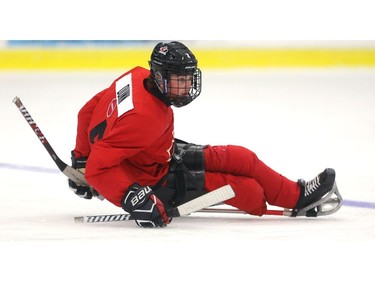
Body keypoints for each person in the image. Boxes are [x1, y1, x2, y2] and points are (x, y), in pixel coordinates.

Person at [69, 41, 341, 228]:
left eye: (189, 79)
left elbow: (86, 112)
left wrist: (80, 157)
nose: (187, 87)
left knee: (242, 157)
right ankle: (291, 201)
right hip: (154, 181)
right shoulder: (145, 118)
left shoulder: (137, 76)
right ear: (160, 75)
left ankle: (297, 195)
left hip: (160, 156)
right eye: (180, 80)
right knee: (245, 189)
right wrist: (133, 197)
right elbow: (98, 168)